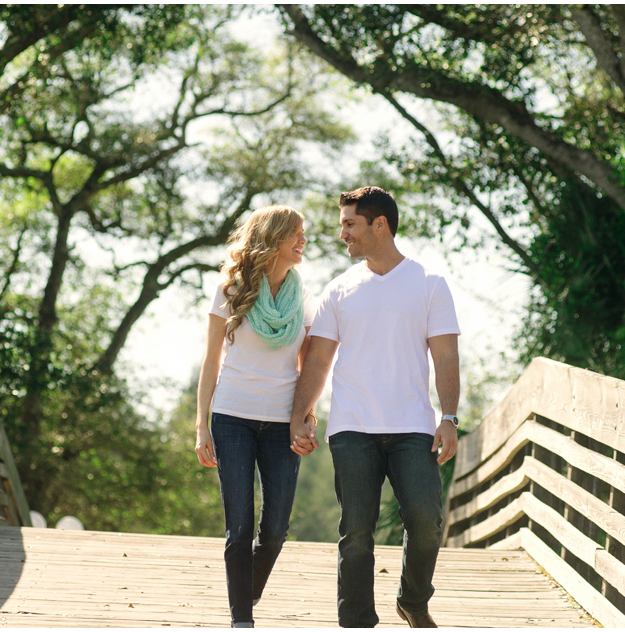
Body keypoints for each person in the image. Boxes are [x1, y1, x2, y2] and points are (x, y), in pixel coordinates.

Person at [289, 186, 460, 628]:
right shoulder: (339, 290)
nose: (342, 233)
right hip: (352, 426)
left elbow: (444, 356)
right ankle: (357, 622)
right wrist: (299, 415)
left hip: (413, 428)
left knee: (425, 520)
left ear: (378, 224)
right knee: (356, 534)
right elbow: (319, 358)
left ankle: (413, 599)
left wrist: (449, 418)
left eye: (350, 224)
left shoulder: (429, 284)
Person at [195, 205, 316, 628]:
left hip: (282, 423)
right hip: (231, 417)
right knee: (239, 526)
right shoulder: (230, 289)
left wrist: (307, 419)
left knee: (277, 526)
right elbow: (211, 362)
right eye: (296, 234)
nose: (303, 241)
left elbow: (309, 371)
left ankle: (247, 591)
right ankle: (241, 620)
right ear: (274, 237)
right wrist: (201, 426)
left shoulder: (304, 302)